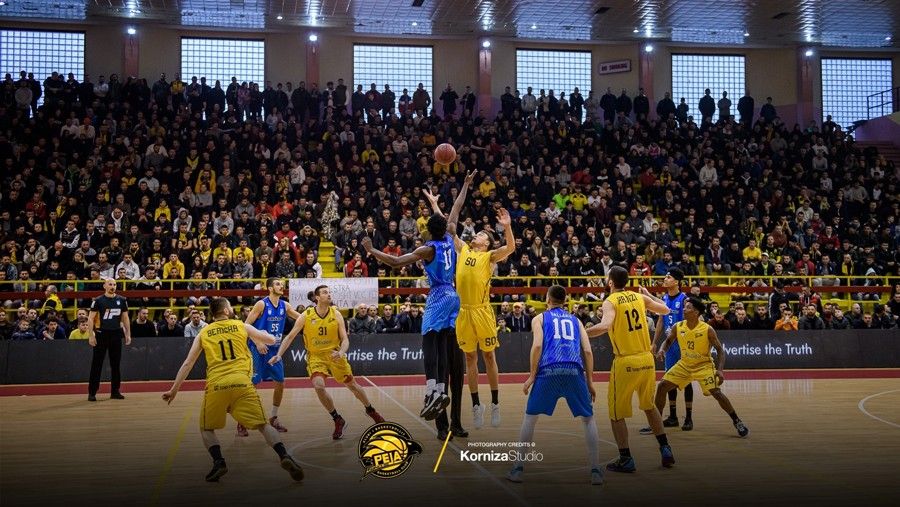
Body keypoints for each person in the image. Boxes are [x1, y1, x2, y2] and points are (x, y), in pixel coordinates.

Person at [362, 171, 474, 434]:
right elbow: (456, 209)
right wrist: (465, 185)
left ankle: (432, 389)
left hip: (438, 295)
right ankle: (440, 394)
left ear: (428, 231)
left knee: (428, 341)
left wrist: (371, 250)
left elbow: (395, 262)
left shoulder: (428, 248)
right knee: (443, 342)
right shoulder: (450, 237)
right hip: (454, 296)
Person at [161, 297, 304, 483]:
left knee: (206, 428)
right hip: (242, 383)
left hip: (217, 384)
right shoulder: (241, 326)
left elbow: (188, 363)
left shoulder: (204, 332)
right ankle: (284, 455)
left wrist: (174, 390)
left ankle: (219, 462)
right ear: (226, 311)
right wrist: (261, 333)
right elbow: (270, 339)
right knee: (263, 425)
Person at [423, 186, 515, 430]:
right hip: (462, 312)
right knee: (470, 359)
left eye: (482, 234)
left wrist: (507, 226)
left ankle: (495, 403)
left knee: (489, 356)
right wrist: (434, 205)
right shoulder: (462, 248)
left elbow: (510, 248)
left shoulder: (490, 257)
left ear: (487, 243)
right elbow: (446, 227)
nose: (477, 235)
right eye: (478, 233)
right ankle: (476, 405)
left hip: (482, 311)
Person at [506, 285, 602, 485]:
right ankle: (595, 471)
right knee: (588, 419)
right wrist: (590, 381)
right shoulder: (576, 321)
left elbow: (537, 345)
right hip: (573, 370)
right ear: (565, 301)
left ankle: (518, 469)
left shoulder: (540, 318)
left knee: (530, 418)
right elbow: (588, 351)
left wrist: (532, 376)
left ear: (547, 299)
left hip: (549, 370)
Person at [587, 266, 674, 472]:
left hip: (625, 362)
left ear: (610, 282)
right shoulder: (639, 297)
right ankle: (665, 448)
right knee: (649, 406)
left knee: (617, 413)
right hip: (647, 359)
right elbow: (666, 309)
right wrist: (649, 295)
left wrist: (581, 331)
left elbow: (605, 326)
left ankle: (626, 458)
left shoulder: (610, 301)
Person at [272, 285, 385, 440]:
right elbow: (290, 336)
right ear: (317, 297)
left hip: (335, 354)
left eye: (330, 292)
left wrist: (341, 352)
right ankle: (337, 419)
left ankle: (370, 410)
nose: (329, 294)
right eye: (325, 292)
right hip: (316, 356)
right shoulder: (306, 315)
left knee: (352, 385)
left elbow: (345, 339)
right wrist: (279, 355)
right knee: (319, 385)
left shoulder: (336, 314)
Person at [654, 298, 749, 438]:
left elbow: (720, 350)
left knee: (716, 393)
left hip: (703, 366)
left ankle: (737, 420)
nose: (684, 309)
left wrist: (720, 370)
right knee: (662, 386)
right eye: (684, 307)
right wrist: (662, 350)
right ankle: (656, 422)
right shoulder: (678, 326)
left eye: (688, 307)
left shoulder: (707, 329)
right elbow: (667, 341)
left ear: (696, 312)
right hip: (684, 364)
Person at [234, 278, 303, 436]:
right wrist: (258, 342)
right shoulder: (261, 304)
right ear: (270, 288)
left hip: (274, 351)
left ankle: (273, 417)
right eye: (278, 284)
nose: (281, 286)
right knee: (252, 385)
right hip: (257, 349)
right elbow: (245, 326)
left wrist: (317, 317)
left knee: (280, 383)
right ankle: (242, 420)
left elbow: (302, 318)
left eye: (282, 284)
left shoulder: (285, 305)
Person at [643, 268, 693, 434]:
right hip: (669, 346)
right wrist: (654, 342)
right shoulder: (664, 298)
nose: (665, 279)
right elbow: (660, 322)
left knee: (686, 381)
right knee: (669, 380)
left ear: (677, 281)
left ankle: (688, 418)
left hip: (683, 345)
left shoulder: (684, 299)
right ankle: (672, 416)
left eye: (668, 277)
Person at [87, 278, 131, 401]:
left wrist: (128, 334)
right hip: (101, 334)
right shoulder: (98, 301)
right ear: (104, 286)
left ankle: (115, 391)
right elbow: (90, 318)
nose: (112, 286)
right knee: (97, 364)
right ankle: (92, 392)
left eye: (114, 284)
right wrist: (91, 335)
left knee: (115, 364)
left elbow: (125, 318)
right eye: (110, 284)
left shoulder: (122, 300)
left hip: (116, 334)